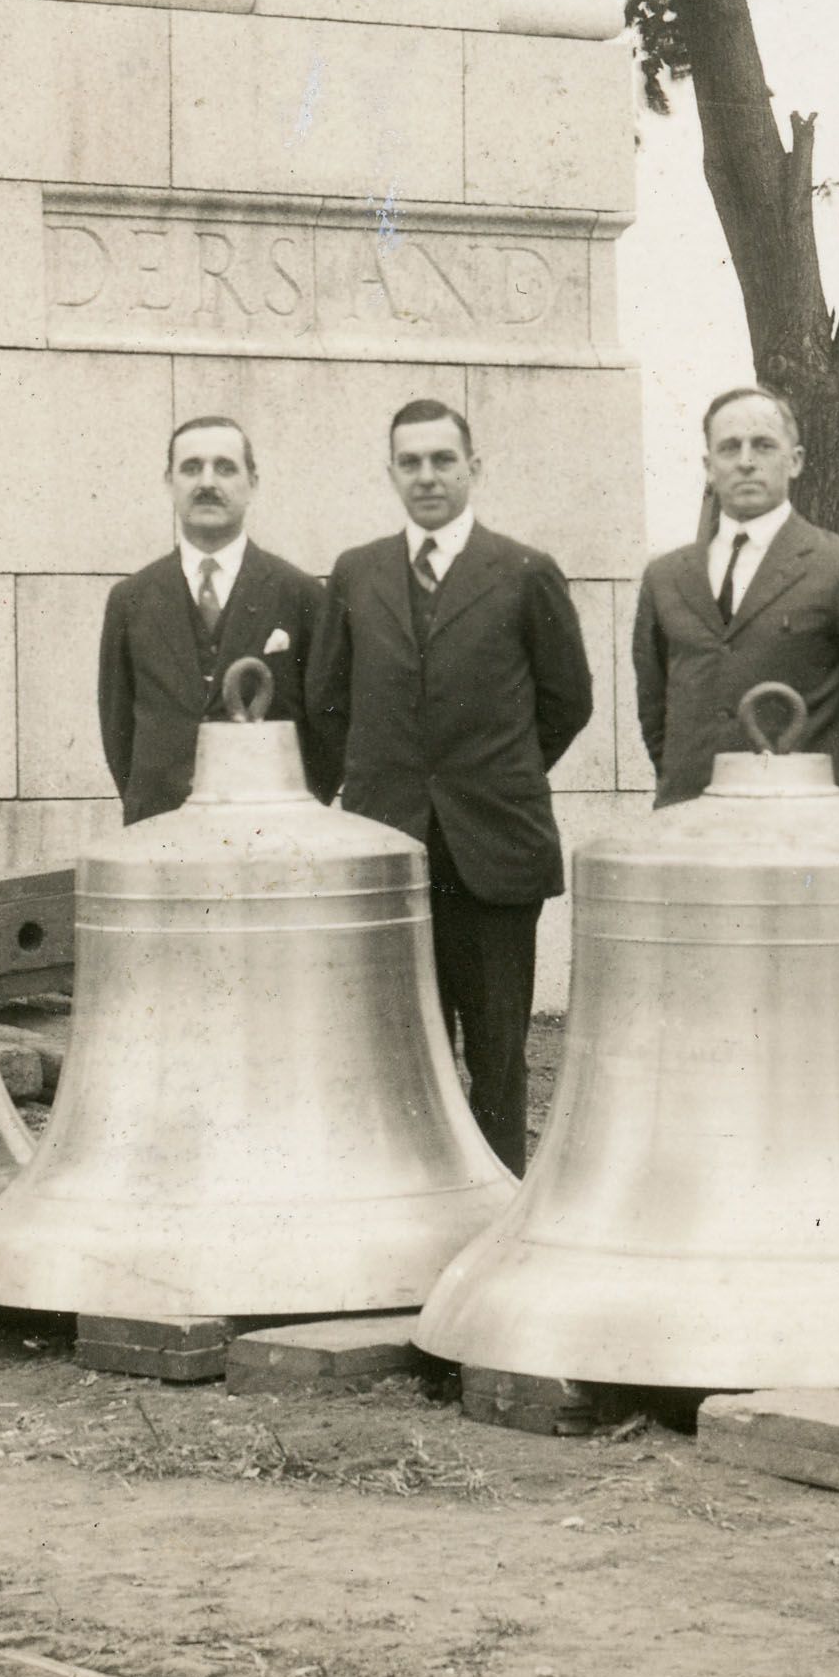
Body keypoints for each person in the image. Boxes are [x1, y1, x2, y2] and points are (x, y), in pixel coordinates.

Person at [304, 395, 597, 1166]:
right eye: (411, 462)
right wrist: (389, 784)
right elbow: (327, 700)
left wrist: (494, 773)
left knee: (498, 1060)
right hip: (390, 849)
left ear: (474, 466)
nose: (427, 476)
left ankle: (499, 1213)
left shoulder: (526, 571)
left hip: (494, 856)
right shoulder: (356, 573)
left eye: (443, 459)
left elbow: (568, 700)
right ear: (391, 471)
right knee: (399, 1057)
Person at [629, 386, 839, 805]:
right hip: (694, 838)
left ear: (794, 461)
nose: (746, 462)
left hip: (809, 837)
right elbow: (657, 719)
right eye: (729, 448)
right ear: (708, 466)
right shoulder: (665, 577)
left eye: (763, 446)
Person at [92, 412, 322, 819]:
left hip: (270, 832)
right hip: (161, 834)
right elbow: (118, 732)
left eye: (225, 467)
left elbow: (326, 734)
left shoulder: (301, 594)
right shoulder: (131, 600)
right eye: (191, 468)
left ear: (253, 483)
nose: (207, 483)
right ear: (169, 483)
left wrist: (295, 810)